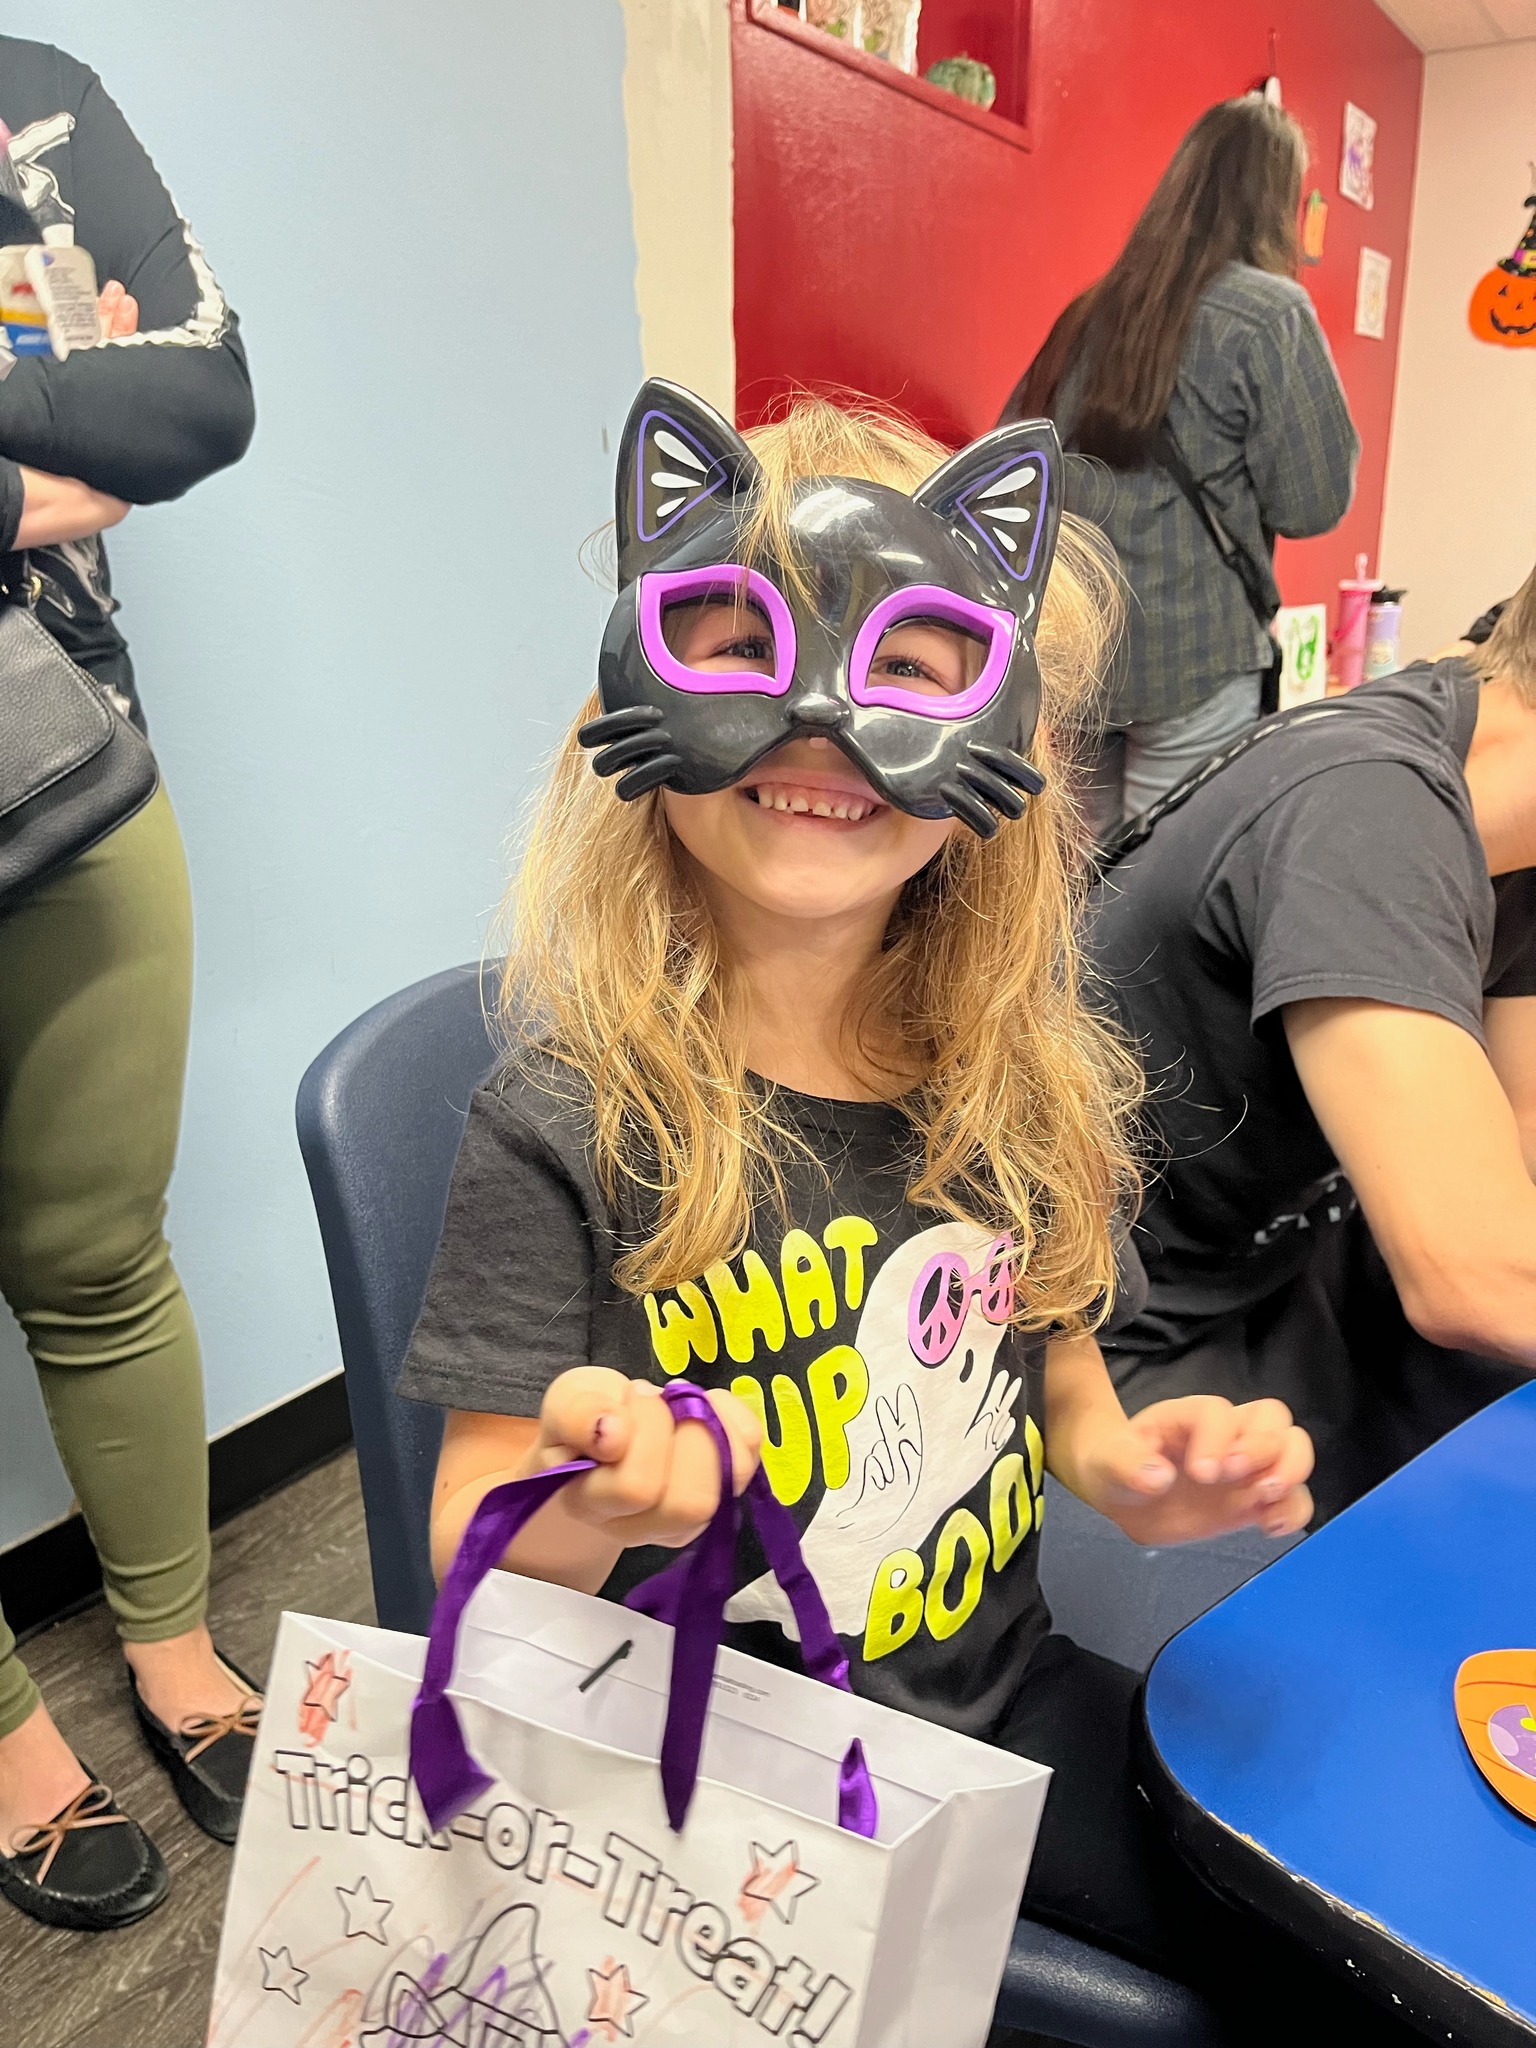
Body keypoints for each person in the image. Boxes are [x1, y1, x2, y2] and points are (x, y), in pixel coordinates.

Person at [395, 379, 1424, 2042]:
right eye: (741, 644)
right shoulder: (568, 1123)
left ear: (997, 752)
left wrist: (1138, 1475)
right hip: (719, 1781)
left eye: (911, 669)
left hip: (996, 1701)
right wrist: (592, 1501)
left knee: (1335, 1927)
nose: (816, 728)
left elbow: (1057, 1392)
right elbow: (473, 1550)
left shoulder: (1006, 1084)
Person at [0, 38, 257, 1932]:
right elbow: (104, 432)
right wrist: (35, 444)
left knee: (100, 1255)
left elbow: (198, 401)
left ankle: (174, 1652)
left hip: (67, 760)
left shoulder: (37, 94)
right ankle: (8, 1739)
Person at [1088, 561, 1536, 1521]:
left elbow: (1520, 1143)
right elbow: (1474, 1272)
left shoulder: (1508, 808)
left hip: (1283, 1264)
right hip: (1118, 1328)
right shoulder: (1368, 811)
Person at [1000, 96, 1358, 835]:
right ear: (1276, 201)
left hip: (1084, 651)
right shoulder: (1271, 313)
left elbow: (1013, 466)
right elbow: (1314, 502)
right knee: (1170, 871)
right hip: (1198, 650)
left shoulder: (1089, 311)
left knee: (1083, 871)